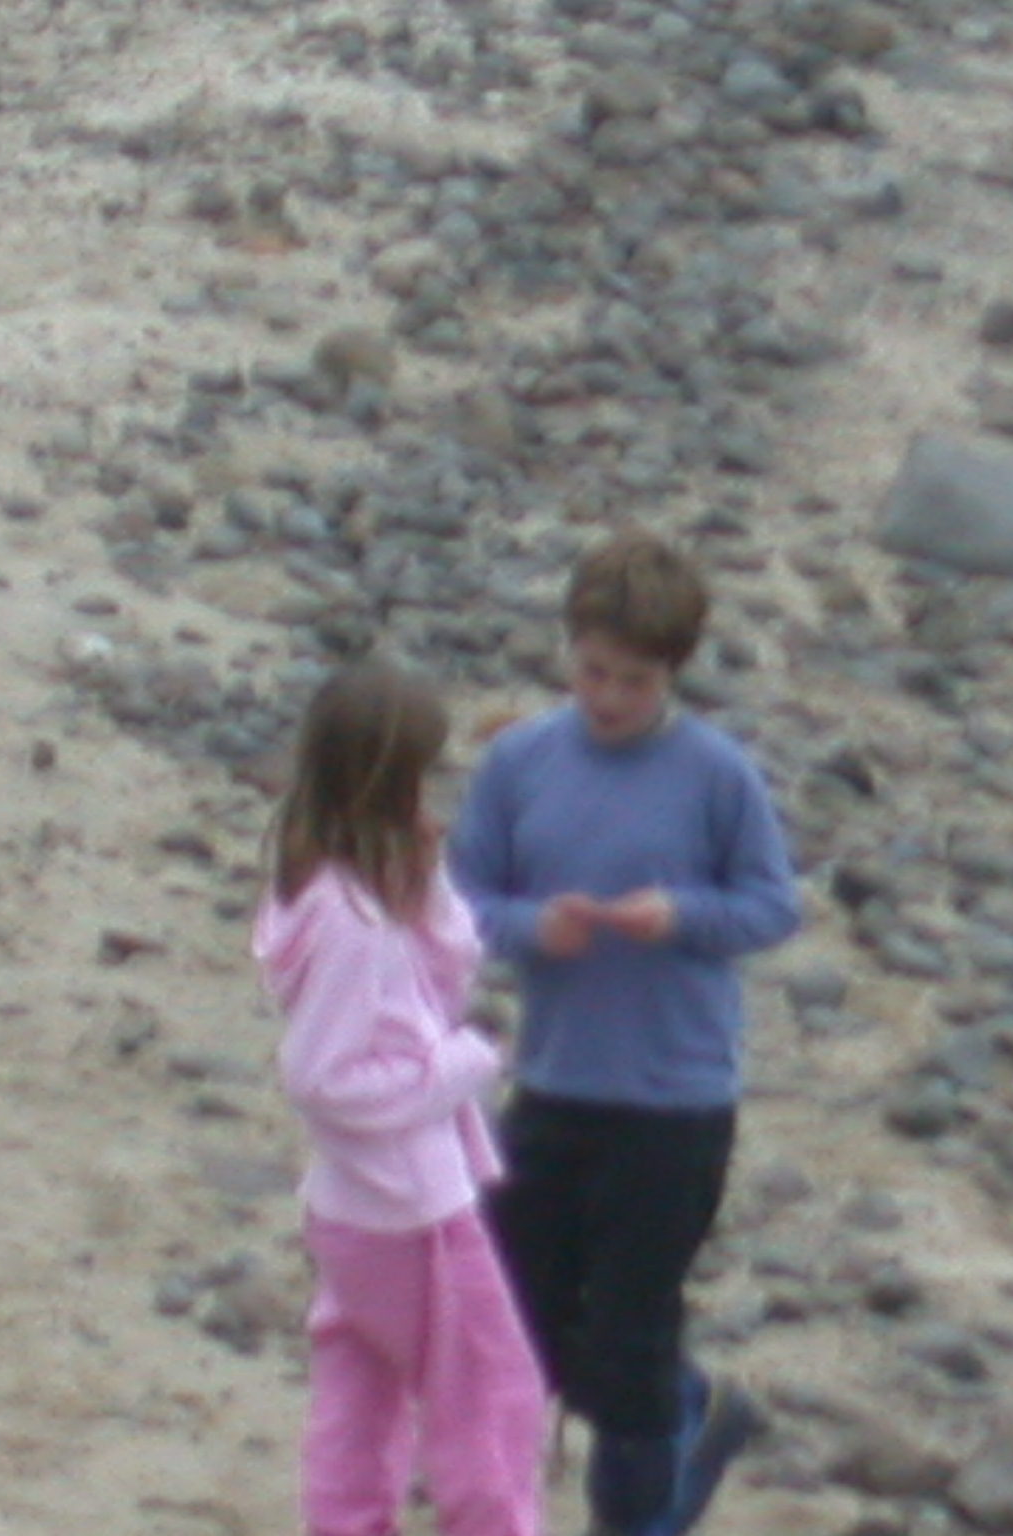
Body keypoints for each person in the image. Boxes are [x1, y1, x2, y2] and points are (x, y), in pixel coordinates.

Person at [448, 530, 804, 1536]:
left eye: (633, 681)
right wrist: (533, 930)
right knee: (517, 1322)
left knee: (628, 1344)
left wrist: (680, 917)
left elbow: (773, 906)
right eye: (593, 670)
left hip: (674, 1107)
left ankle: (637, 1509)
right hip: (553, 1088)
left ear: (672, 673)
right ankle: (697, 1416)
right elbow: (461, 902)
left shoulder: (715, 774)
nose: (607, 696)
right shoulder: (519, 761)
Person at [254, 656, 549, 1536]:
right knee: (491, 1401)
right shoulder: (355, 927)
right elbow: (323, 1076)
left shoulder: (331, 894)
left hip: (353, 1208)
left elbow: (450, 966)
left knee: (359, 1392)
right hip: (410, 1211)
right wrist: (457, 1065)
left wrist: (429, 880)